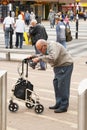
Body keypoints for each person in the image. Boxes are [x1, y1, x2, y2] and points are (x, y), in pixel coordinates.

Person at [30, 39, 73, 113]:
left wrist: (39, 59)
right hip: (58, 66)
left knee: (63, 85)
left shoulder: (53, 46)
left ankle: (64, 106)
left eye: (40, 49)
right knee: (56, 84)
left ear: (44, 46)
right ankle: (58, 103)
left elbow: (53, 57)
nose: (40, 51)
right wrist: (34, 56)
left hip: (65, 65)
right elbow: (44, 55)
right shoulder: (46, 47)